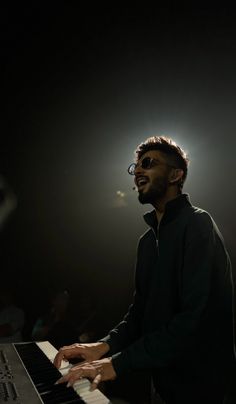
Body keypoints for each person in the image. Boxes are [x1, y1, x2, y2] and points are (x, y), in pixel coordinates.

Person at [53, 136, 235, 404]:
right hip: (163, 384)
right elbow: (139, 314)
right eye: (135, 166)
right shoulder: (147, 243)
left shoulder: (198, 223)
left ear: (175, 174)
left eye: (148, 163)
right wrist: (103, 346)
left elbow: (192, 320)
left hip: (204, 388)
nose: (137, 170)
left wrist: (114, 364)